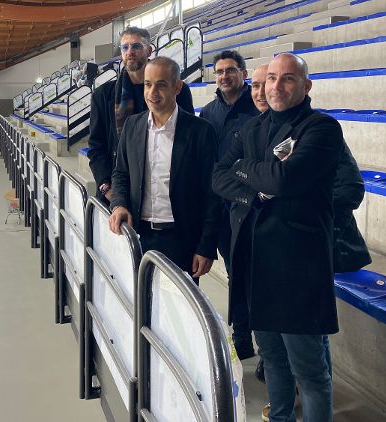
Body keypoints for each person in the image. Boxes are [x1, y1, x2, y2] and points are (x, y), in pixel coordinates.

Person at [213, 53, 343, 422]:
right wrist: (255, 186)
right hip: (257, 264)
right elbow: (219, 176)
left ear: (306, 85)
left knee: (311, 372)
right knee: (272, 361)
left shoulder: (321, 129)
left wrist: (246, 170)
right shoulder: (252, 129)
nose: (276, 86)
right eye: (271, 78)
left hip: (299, 268)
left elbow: (284, 180)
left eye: (287, 79)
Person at [108, 56, 218, 281]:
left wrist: (206, 246)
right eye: (148, 84)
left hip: (182, 238)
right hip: (139, 233)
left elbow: (213, 193)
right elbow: (121, 172)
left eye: (161, 84)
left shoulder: (200, 131)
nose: (152, 92)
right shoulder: (132, 125)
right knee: (139, 306)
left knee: (180, 314)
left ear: (177, 87)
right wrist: (118, 203)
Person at [87, 26, 194, 205]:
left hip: (164, 188)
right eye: (125, 47)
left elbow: (188, 137)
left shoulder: (177, 90)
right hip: (119, 188)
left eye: (136, 46)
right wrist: (106, 186)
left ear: (149, 50)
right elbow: (97, 146)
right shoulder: (103, 95)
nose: (130, 52)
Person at [199, 50, 259, 360]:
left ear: (243, 73)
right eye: (220, 71)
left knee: (248, 276)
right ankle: (242, 339)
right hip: (217, 208)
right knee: (234, 275)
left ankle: (259, 344)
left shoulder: (258, 109)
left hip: (249, 208)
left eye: (231, 70)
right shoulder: (208, 112)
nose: (224, 76)